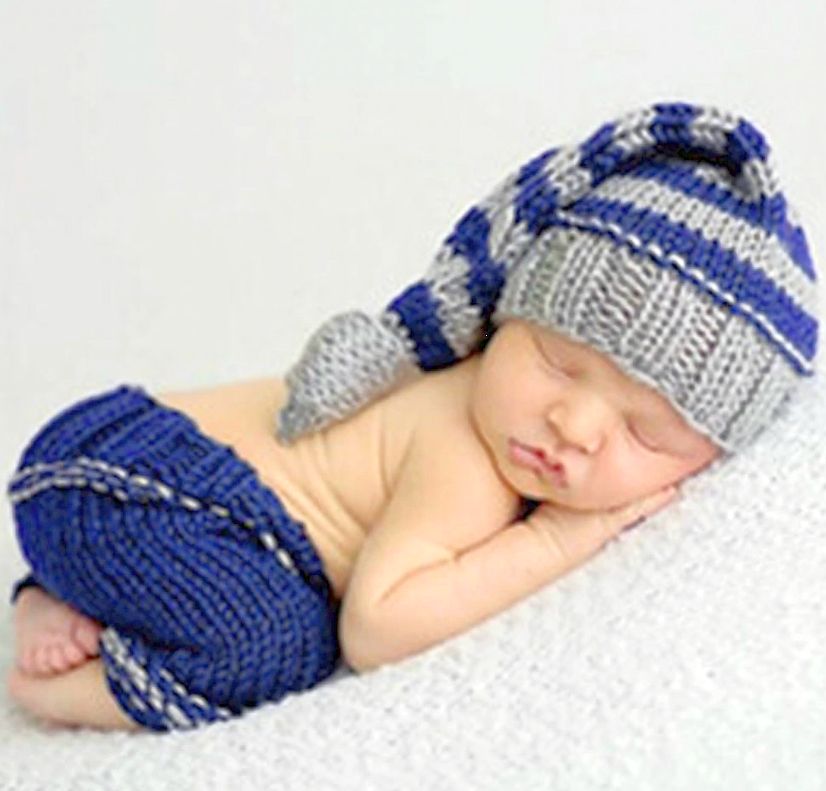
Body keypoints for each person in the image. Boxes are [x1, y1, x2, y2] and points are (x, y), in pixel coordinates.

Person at [6, 101, 818, 732]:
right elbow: (378, 627)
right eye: (556, 363)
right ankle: (60, 690)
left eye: (645, 432)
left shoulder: (511, 431)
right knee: (278, 643)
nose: (573, 424)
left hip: (116, 473)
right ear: (503, 319)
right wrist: (555, 540)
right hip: (144, 487)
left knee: (246, 598)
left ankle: (64, 593)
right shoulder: (465, 451)